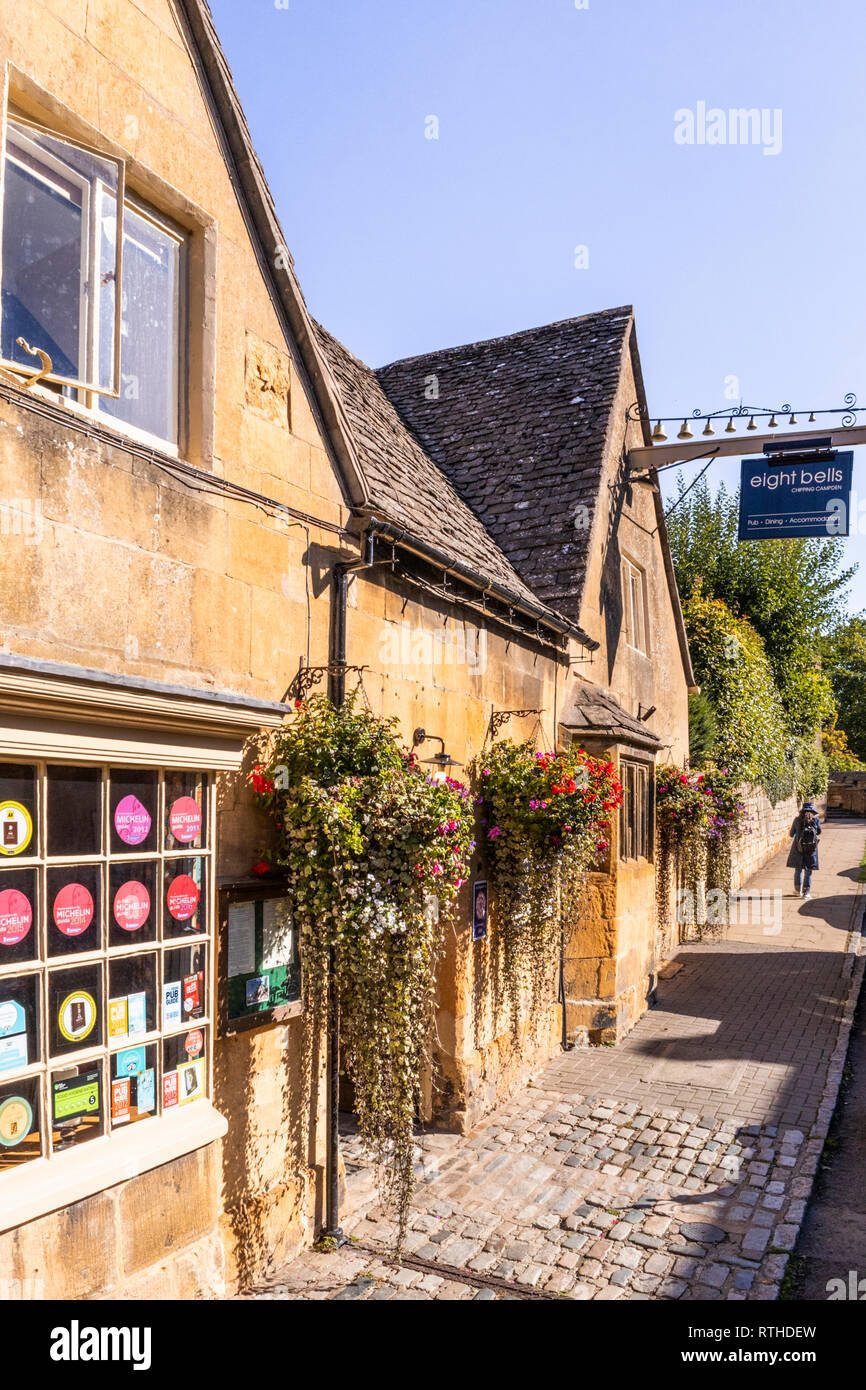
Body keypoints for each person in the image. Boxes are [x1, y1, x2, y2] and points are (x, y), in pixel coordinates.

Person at [788, 800, 822, 899]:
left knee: (798, 870)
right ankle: (806, 893)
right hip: (811, 849)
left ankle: (798, 891)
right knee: (809, 871)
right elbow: (819, 832)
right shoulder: (815, 820)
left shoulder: (797, 820)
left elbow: (791, 834)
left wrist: (798, 833)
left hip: (798, 848)